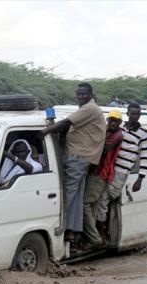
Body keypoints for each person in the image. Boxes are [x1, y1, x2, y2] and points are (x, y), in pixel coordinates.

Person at [38, 82, 106, 243]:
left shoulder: (90, 108)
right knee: (75, 196)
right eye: (79, 94)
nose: (80, 96)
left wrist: (45, 132)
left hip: (78, 156)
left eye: (83, 94)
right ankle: (73, 231)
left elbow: (66, 123)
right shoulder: (87, 109)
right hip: (82, 157)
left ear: (91, 95)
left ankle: (59, 228)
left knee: (66, 195)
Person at [94, 103, 147, 227]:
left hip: (121, 171)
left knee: (104, 199)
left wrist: (140, 179)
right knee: (97, 198)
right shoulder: (120, 128)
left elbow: (146, 157)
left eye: (138, 114)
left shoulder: (143, 134)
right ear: (128, 114)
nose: (135, 116)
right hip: (108, 167)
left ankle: (101, 231)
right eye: (133, 114)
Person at [82, 110, 123, 247]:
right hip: (94, 170)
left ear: (119, 123)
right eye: (110, 120)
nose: (112, 123)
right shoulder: (106, 131)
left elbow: (103, 148)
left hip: (101, 172)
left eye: (115, 121)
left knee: (85, 204)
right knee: (92, 204)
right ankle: (91, 236)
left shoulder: (117, 135)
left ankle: (94, 238)